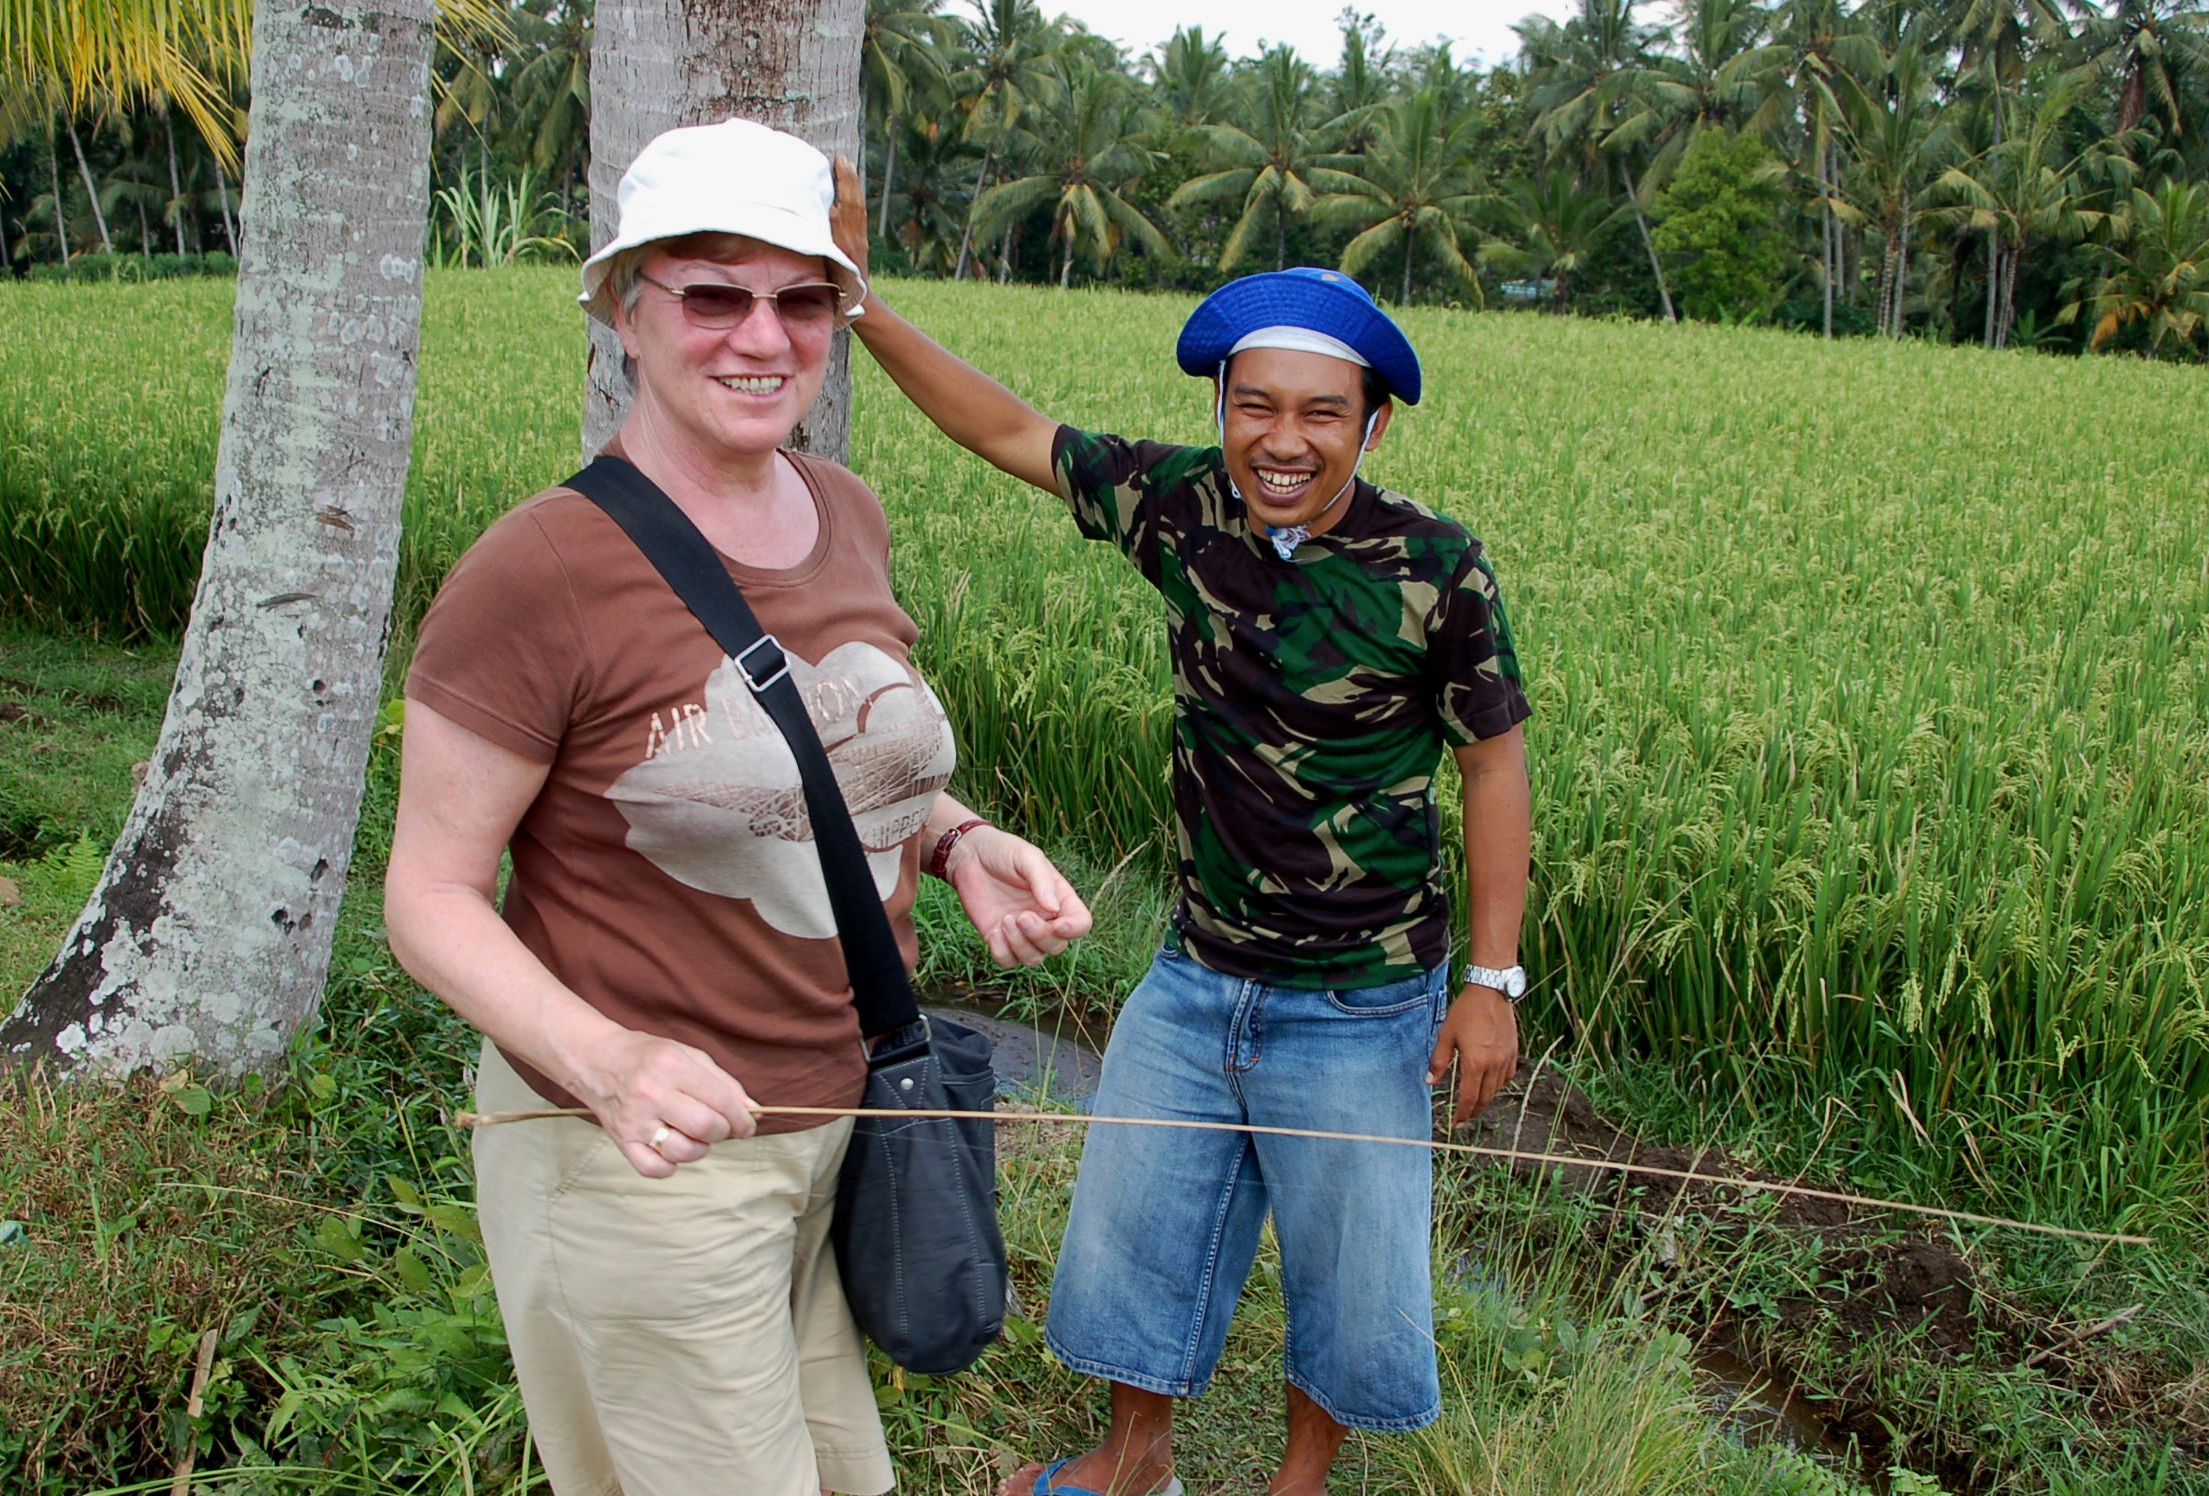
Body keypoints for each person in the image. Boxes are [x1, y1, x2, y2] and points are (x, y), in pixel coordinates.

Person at [381, 120, 1093, 1496]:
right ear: (625, 308)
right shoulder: (540, 570)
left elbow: (824, 754)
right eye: (713, 293)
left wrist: (956, 838)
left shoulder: (844, 510)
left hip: (835, 1126)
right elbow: (427, 896)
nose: (762, 337)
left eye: (802, 299)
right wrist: (606, 1062)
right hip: (644, 1163)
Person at [831, 166, 1533, 1496]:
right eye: (1255, 404)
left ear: (1373, 424)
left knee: (1348, 1266)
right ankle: (1134, 1454)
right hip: (1197, 969)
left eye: (1321, 413)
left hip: (1365, 993)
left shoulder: (1435, 566)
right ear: (1221, 409)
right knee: (1139, 1231)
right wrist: (857, 306)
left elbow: (1494, 766)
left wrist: (1490, 982)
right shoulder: (1182, 504)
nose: (1284, 440)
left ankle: (1298, 1482)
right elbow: (1009, 430)